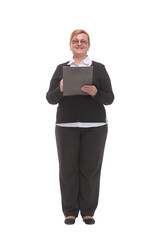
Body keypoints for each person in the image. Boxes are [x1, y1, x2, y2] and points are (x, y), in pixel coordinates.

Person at [46, 29, 114, 225]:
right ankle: (69, 211)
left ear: (88, 45)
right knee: (67, 169)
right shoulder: (61, 68)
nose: (79, 43)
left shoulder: (99, 68)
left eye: (83, 41)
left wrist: (96, 92)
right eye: (75, 41)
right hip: (66, 126)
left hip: (95, 126)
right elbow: (50, 98)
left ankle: (88, 211)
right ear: (70, 45)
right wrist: (59, 88)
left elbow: (109, 98)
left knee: (90, 169)